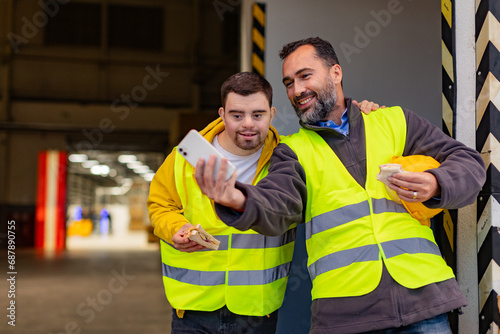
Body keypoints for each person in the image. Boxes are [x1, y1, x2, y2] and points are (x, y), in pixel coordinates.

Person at [194, 37, 487, 334]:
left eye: (305, 76)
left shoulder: (394, 121)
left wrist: (436, 183)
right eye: (289, 83)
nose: (296, 90)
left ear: (336, 73)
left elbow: (470, 164)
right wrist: (237, 198)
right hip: (346, 318)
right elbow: (277, 205)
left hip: (423, 305)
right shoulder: (293, 151)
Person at [148, 71, 382, 333]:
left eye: (257, 115)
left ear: (271, 114)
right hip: (192, 308)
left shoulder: (288, 160)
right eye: (237, 115)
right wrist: (175, 228)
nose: (248, 124)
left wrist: (363, 116)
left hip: (257, 310)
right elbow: (160, 205)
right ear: (222, 114)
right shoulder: (185, 157)